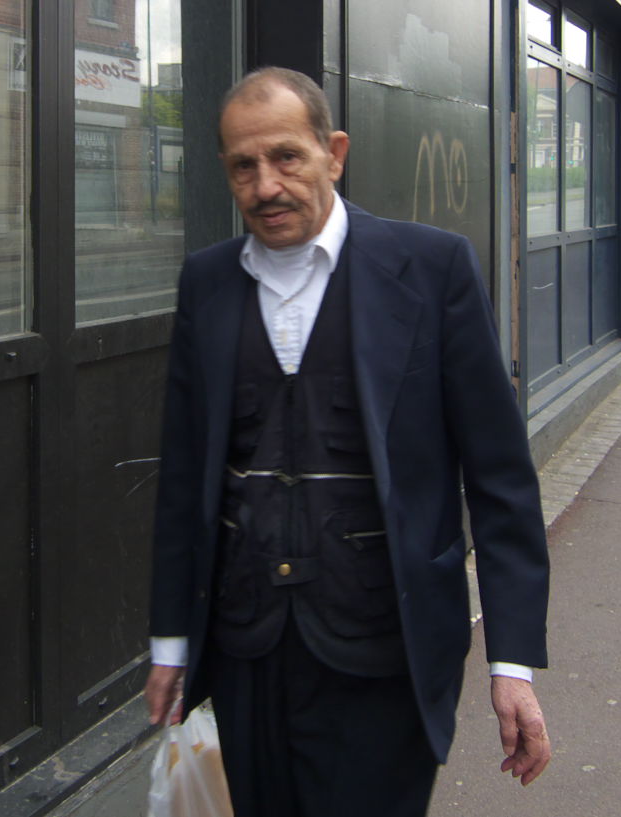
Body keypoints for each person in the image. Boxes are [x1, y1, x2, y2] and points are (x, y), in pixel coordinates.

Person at [143, 66, 552, 817]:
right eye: (243, 165)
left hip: (382, 653)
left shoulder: (433, 271)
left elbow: (500, 479)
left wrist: (513, 662)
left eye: (286, 157)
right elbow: (183, 478)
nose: (265, 185)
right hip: (245, 649)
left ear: (334, 151)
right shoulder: (205, 284)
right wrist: (171, 640)